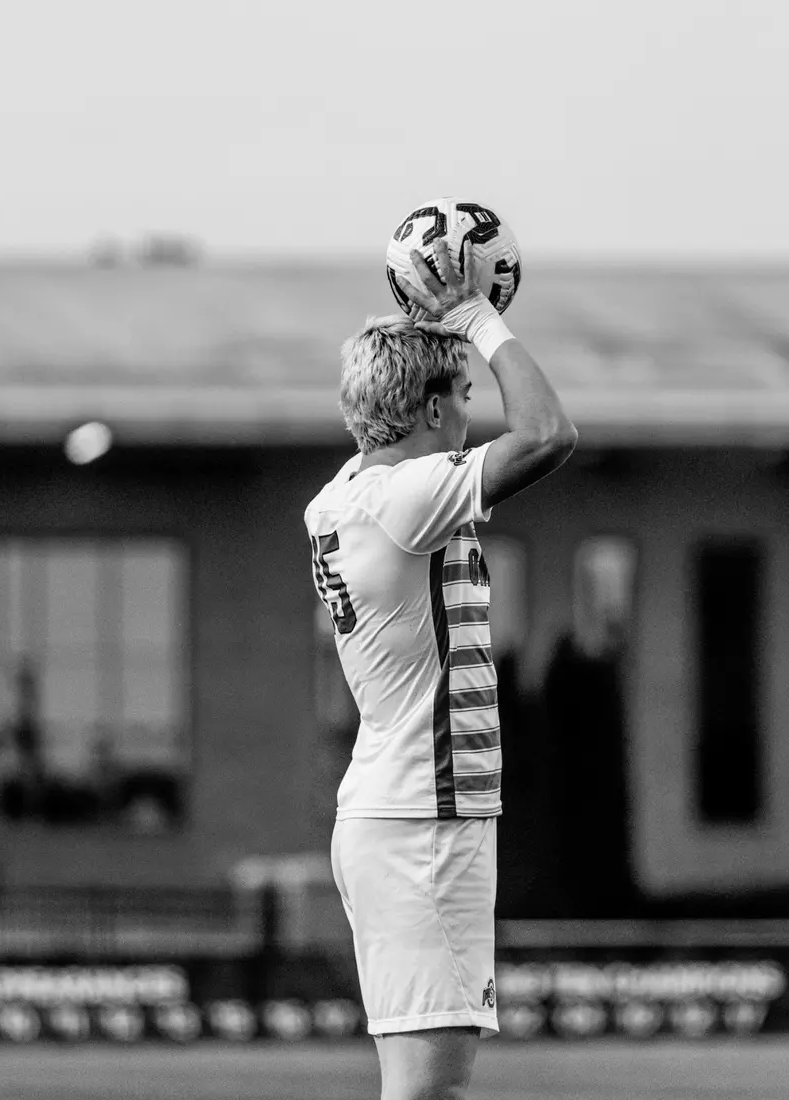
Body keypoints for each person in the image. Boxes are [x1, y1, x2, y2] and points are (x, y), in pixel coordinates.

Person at [304, 238, 577, 1100]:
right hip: (423, 820)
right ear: (427, 407)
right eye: (461, 394)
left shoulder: (346, 493)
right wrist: (475, 319)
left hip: (398, 812)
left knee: (422, 1086)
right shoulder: (405, 498)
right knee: (431, 1090)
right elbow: (547, 433)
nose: (470, 410)